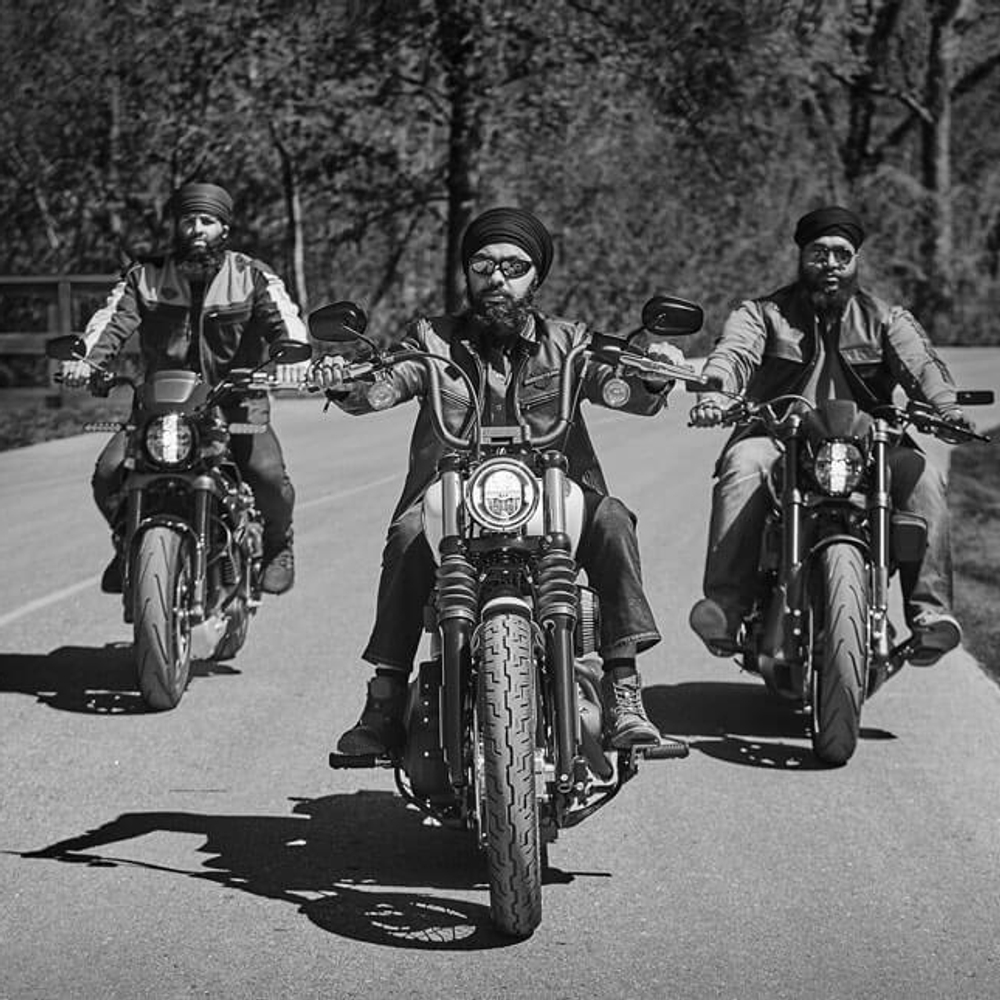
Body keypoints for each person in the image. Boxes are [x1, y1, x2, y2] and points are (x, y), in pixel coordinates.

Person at [314, 206, 684, 753]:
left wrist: (651, 373)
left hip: (553, 496)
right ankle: (384, 700)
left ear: (536, 277)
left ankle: (624, 690)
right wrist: (345, 382)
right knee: (408, 533)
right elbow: (385, 385)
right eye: (483, 265)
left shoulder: (571, 343)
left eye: (514, 266)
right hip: (455, 497)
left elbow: (618, 387)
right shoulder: (432, 341)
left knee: (611, 518)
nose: (498, 279)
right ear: (467, 273)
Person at [688, 205, 972, 666]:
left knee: (924, 477)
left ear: (857, 259)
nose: (831, 265)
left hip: (869, 443)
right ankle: (726, 607)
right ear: (801, 257)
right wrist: (717, 395)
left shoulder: (885, 318)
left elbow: (922, 365)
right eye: (819, 253)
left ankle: (930, 615)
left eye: (842, 254)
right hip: (782, 437)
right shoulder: (764, 314)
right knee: (742, 465)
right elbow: (733, 354)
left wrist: (947, 410)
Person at [60, 181, 308, 595]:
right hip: (163, 404)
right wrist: (85, 362)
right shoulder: (145, 277)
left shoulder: (252, 276)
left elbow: (287, 324)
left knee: (266, 476)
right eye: (188, 220)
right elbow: (111, 324)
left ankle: (278, 544)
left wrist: (294, 361)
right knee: (108, 474)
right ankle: (130, 545)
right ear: (176, 226)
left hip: (236, 403)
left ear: (224, 229)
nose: (196, 229)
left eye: (207, 221)